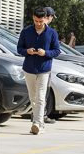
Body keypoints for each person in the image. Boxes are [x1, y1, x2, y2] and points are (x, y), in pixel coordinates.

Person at [16, 7, 61, 135]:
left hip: (44, 70)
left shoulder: (52, 33)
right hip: (29, 69)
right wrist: (27, 51)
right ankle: (40, 124)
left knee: (41, 97)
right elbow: (19, 49)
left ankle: (36, 124)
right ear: (33, 18)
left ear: (45, 19)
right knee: (33, 98)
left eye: (41, 21)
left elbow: (57, 51)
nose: (38, 23)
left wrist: (45, 53)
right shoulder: (26, 31)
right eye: (36, 21)